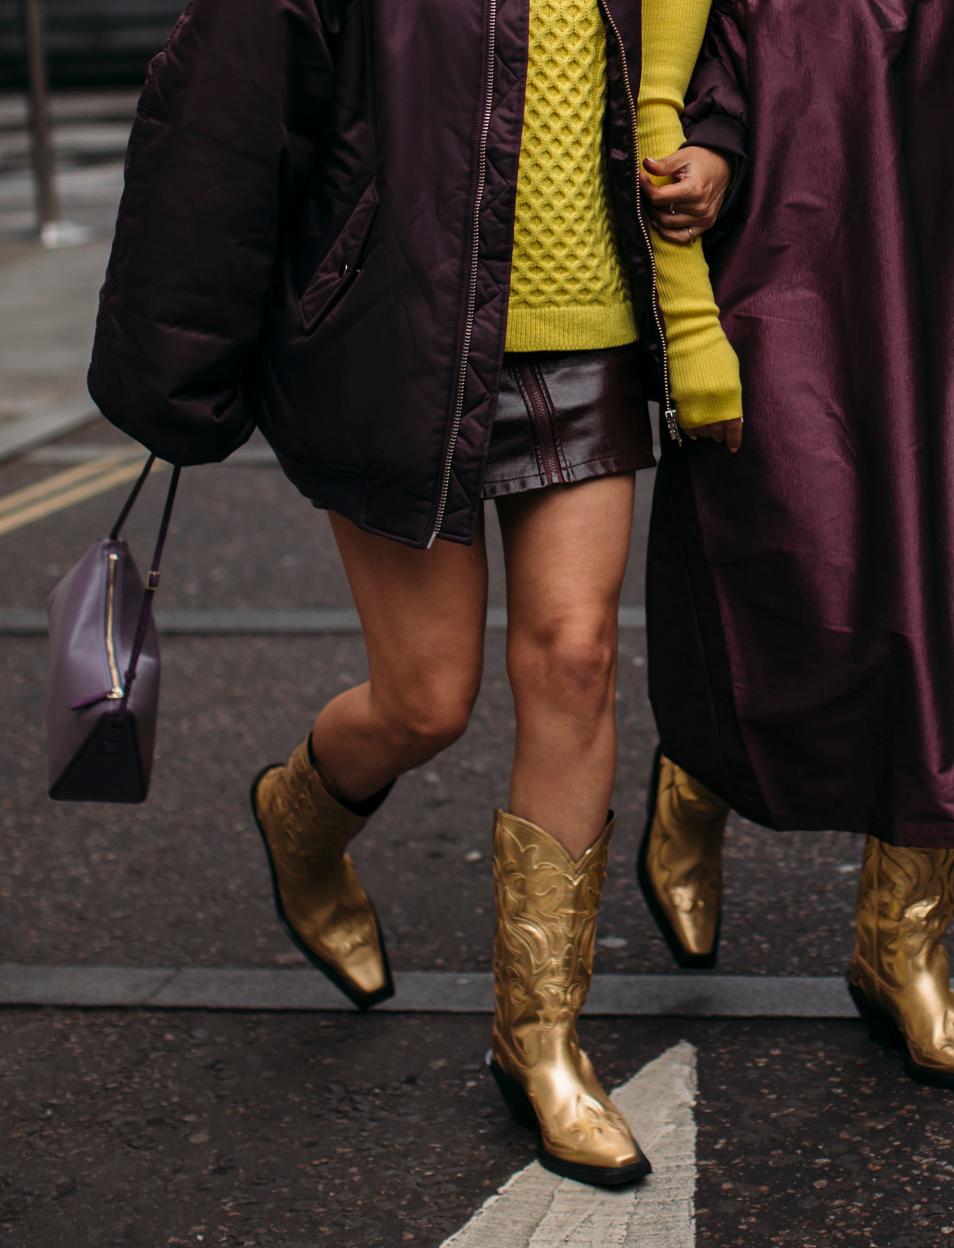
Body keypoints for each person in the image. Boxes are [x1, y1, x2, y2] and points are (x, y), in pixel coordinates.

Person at [87, 0, 737, 1188]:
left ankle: (540, 1042)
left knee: (577, 660)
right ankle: (302, 813)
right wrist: (173, 360)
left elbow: (718, 48)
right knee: (428, 701)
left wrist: (715, 152)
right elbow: (227, 106)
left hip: (591, 331)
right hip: (403, 339)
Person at [638, 0, 954, 1097]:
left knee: (949, 606)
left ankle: (905, 951)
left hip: (943, 282)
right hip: (773, 273)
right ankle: (698, 769)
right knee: (790, 566)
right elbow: (658, 108)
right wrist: (690, 328)